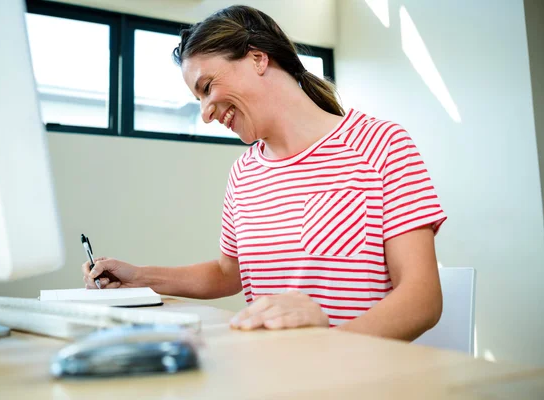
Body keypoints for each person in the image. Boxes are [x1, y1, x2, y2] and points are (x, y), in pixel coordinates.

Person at [83, 5, 447, 341]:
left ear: (258, 58)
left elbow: (422, 298)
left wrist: (329, 344)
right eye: (199, 101)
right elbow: (230, 273)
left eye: (207, 88)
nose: (206, 113)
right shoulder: (244, 172)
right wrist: (139, 277)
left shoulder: (382, 145)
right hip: (268, 375)